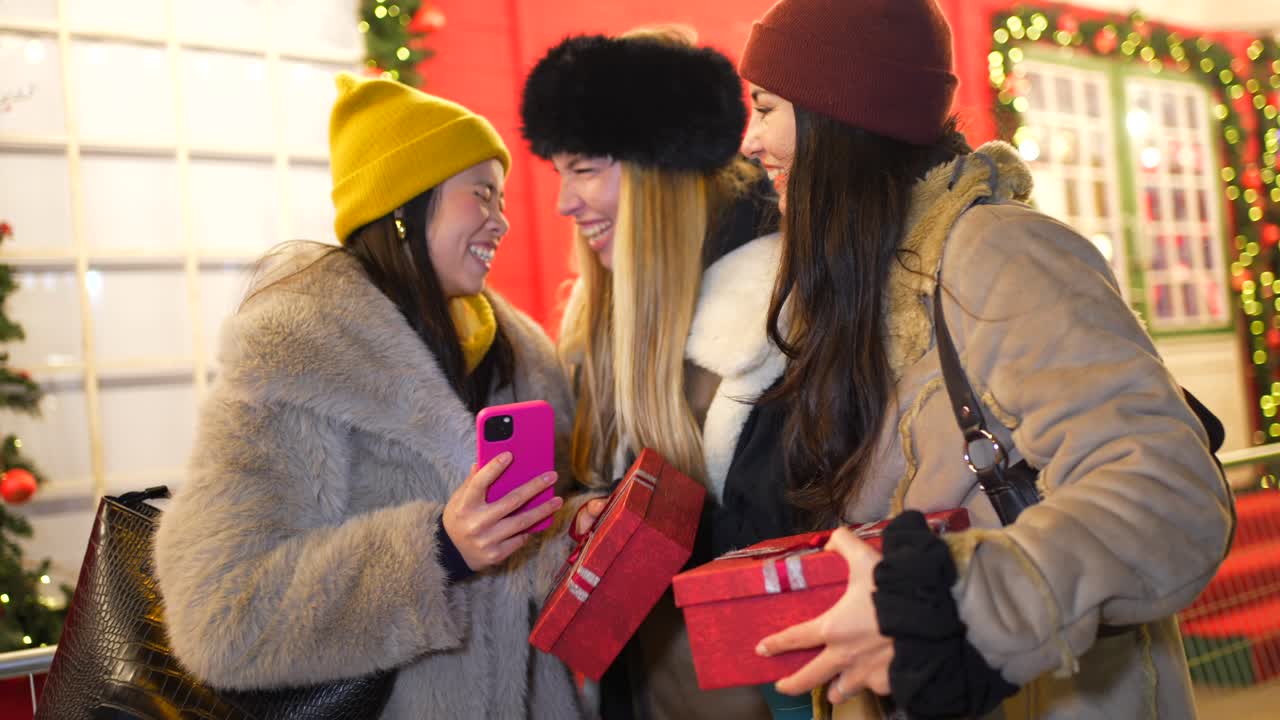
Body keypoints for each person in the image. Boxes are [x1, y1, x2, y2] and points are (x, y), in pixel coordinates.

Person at [732, 1, 1234, 718]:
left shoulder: (1000, 254)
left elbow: (1169, 493)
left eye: (767, 107)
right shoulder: (864, 287)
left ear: (840, 116)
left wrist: (967, 605)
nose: (753, 141)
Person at [154, 73, 591, 719]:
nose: (501, 221)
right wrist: (436, 552)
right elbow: (220, 620)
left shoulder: (518, 352)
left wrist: (567, 527)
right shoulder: (295, 362)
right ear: (405, 208)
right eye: (481, 196)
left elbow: (515, 550)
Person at [521, 26, 794, 720]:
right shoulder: (597, 316)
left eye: (584, 168)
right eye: (559, 170)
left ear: (654, 171)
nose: (563, 202)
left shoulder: (773, 320)